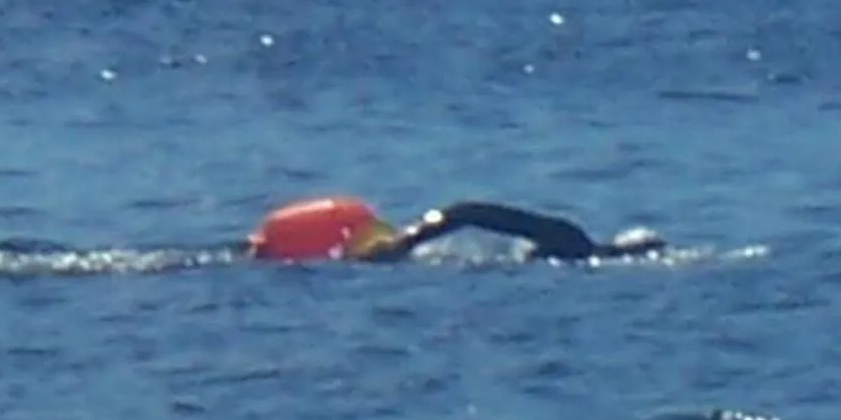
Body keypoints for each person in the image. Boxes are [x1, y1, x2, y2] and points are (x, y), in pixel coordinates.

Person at [246, 195, 664, 264]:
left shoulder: (568, 242)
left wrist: (408, 242)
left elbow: (466, 211)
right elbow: (467, 212)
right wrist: (408, 242)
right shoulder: (568, 240)